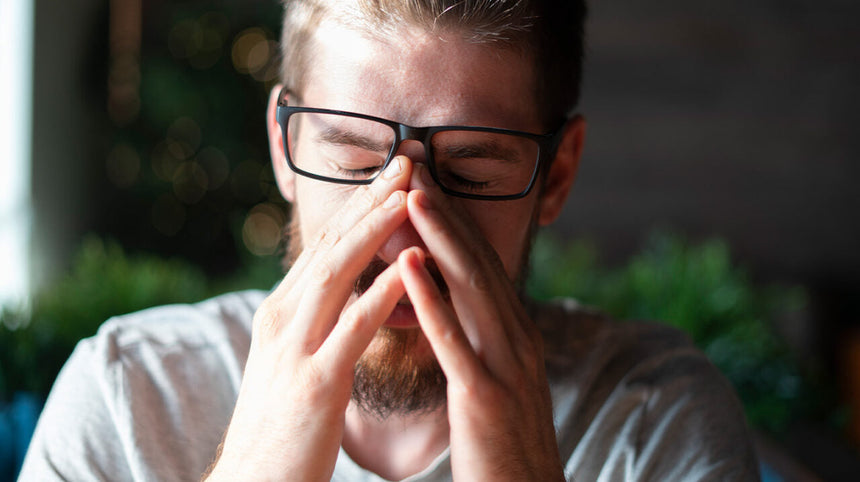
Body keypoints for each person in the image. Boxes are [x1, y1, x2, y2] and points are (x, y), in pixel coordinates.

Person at [20, 0, 760, 480]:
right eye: (354, 163)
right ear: (284, 147)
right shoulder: (125, 401)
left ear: (557, 175)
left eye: (470, 170)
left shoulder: (655, 427)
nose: (403, 231)